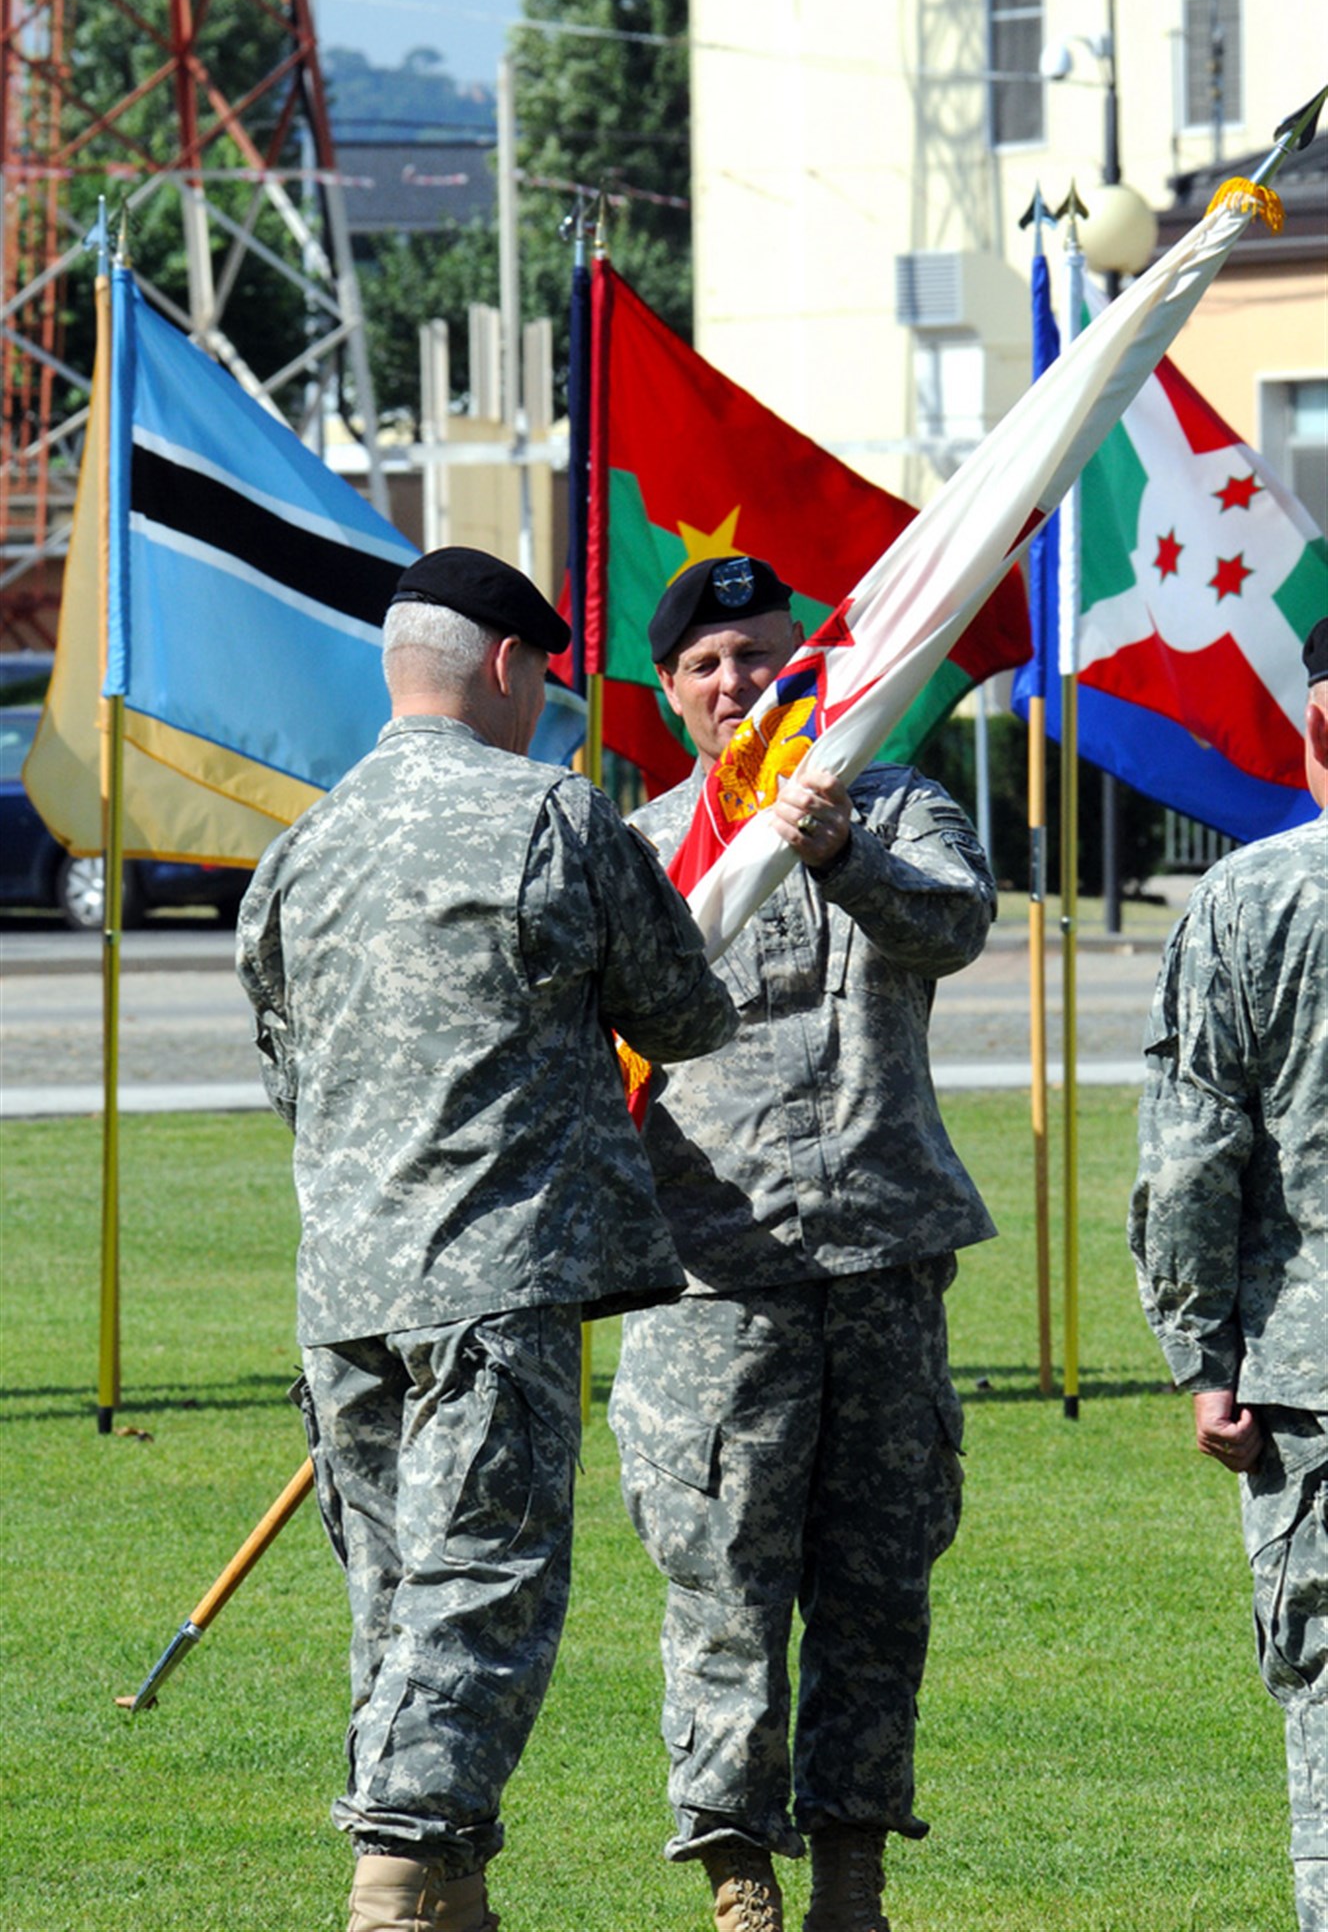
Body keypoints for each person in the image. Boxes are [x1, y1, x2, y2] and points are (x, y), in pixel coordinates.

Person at [236, 546, 737, 1932]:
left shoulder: (300, 848)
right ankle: (393, 1885)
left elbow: (292, 1076)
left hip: (343, 1296)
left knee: (398, 1602)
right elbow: (684, 1015)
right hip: (493, 1279)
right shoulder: (553, 818)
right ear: (509, 668)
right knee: (481, 1595)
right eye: (546, 684)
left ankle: (446, 1898)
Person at [608, 555, 998, 1932]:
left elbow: (952, 926)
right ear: (670, 697)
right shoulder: (643, 852)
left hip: (884, 1260)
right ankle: (736, 1883)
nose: (736, 684)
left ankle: (851, 1878)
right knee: (722, 1588)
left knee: (880, 1589)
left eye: (763, 658)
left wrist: (839, 851)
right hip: (712, 1280)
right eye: (707, 667)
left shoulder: (896, 806)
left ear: (813, 669)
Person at [1129, 617, 1328, 1932]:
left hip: (1311, 1383)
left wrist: (1201, 1359)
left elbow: (1193, 1155)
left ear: (1312, 728)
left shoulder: (1255, 901)